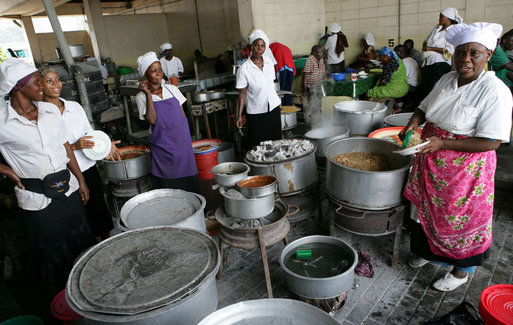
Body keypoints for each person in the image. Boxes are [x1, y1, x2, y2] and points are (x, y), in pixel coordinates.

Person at [399, 23, 512, 292]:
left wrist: (443, 143)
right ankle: (427, 253)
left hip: (464, 172)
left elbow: (492, 141)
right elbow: (423, 109)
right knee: (422, 212)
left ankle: (461, 272)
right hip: (430, 158)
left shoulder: (495, 91)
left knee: (459, 219)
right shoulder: (446, 79)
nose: (465, 60)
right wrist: (414, 123)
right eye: (460, 53)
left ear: (488, 54)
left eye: (474, 53)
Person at [0, 58, 95, 294]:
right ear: (18, 86)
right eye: (36, 82)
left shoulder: (50, 110)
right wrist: (6, 171)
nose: (42, 85)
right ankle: (60, 303)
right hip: (37, 199)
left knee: (80, 245)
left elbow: (65, 146)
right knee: (49, 255)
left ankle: (88, 291)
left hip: (68, 189)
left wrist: (81, 181)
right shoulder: (2, 121)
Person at [38, 65, 119, 240]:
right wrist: (74, 146)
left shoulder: (74, 107)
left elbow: (90, 134)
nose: (56, 84)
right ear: (40, 85)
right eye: (49, 81)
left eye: (58, 79)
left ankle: (106, 245)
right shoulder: (39, 114)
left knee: (99, 213)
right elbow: (46, 148)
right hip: (65, 173)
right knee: (79, 218)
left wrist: (105, 146)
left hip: (88, 167)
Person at [136, 52, 201, 194]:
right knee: (171, 190)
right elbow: (152, 120)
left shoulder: (172, 89)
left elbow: (182, 115)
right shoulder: (141, 97)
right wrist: (148, 94)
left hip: (182, 145)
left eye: (160, 69)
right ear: (146, 75)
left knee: (192, 187)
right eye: (154, 71)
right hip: (163, 147)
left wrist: (185, 137)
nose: (159, 74)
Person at [236, 29, 282, 149]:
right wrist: (239, 115)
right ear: (251, 46)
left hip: (273, 108)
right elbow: (242, 93)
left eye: (262, 46)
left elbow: (270, 85)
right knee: (258, 146)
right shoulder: (244, 69)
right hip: (256, 112)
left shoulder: (269, 64)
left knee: (276, 143)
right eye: (256, 45)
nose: (259, 48)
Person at [419, 7, 463, 100]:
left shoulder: (452, 31)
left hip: (440, 65)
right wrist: (425, 47)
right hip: (428, 63)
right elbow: (426, 40)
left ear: (448, 18)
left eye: (441, 17)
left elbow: (448, 52)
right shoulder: (436, 28)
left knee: (434, 90)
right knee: (424, 90)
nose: (439, 19)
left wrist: (431, 48)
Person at [394, 45, 421, 112]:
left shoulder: (403, 62)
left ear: (400, 53)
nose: (395, 56)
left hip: (411, 86)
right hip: (417, 85)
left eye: (396, 53)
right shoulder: (412, 60)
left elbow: (401, 78)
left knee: (393, 85)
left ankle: (401, 105)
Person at [269, 42, 296, 106]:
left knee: (281, 90)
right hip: (290, 68)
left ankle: (282, 107)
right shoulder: (286, 48)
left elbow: (271, 62)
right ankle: (288, 106)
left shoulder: (271, 47)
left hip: (281, 67)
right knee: (288, 90)